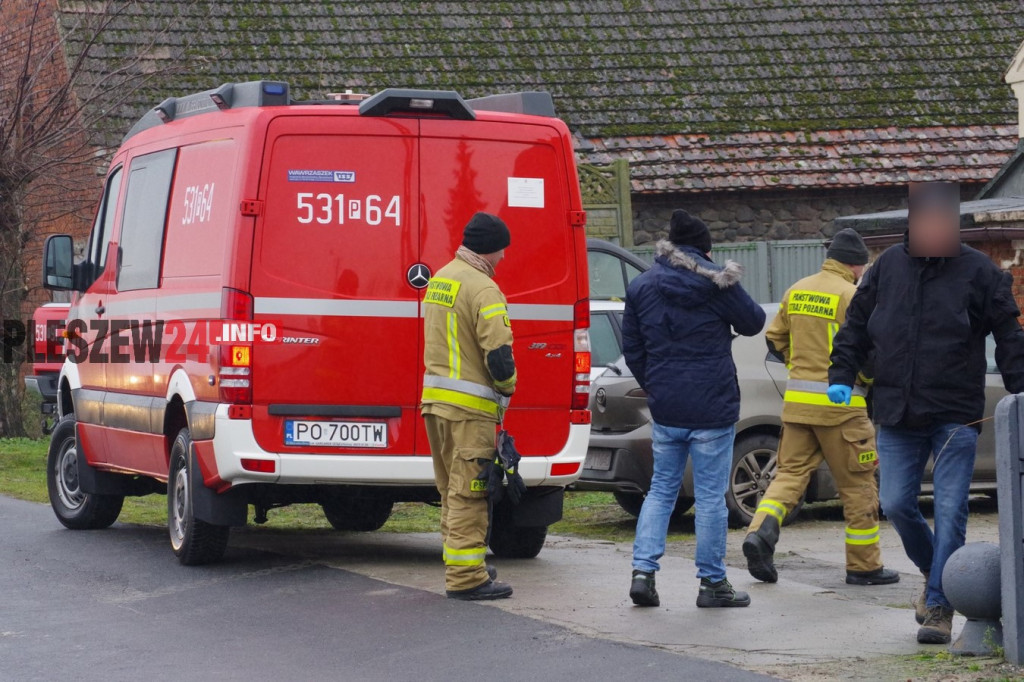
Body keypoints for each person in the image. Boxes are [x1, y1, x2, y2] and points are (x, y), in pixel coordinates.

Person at [828, 191, 1024, 643]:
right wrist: (841, 373)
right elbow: (856, 324)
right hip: (896, 410)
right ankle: (938, 572)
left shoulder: (980, 272)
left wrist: (1020, 387)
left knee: (952, 509)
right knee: (896, 503)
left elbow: (1009, 334)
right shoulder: (888, 267)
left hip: (955, 413)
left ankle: (939, 605)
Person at [622, 209, 766, 608]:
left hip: (667, 405)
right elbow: (753, 322)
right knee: (707, 498)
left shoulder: (641, 287)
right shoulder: (716, 283)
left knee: (661, 491)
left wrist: (656, 385)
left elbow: (632, 347)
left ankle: (643, 573)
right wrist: (723, 280)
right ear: (704, 249)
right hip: (712, 404)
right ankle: (712, 584)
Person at [742, 228, 899, 587]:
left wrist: (800, 365)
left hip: (797, 406)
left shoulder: (796, 289)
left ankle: (759, 533)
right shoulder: (852, 294)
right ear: (857, 264)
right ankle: (864, 566)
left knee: (788, 476)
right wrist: (865, 379)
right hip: (842, 409)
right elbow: (870, 348)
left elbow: (775, 337)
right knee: (858, 488)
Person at [421, 212, 517, 601]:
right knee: (470, 493)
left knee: (450, 490)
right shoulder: (483, 288)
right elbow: (498, 356)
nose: (504, 257)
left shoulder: (441, 278)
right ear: (492, 249)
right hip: (469, 411)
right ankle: (466, 580)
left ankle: (463, 563)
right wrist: (508, 389)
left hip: (436, 405)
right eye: (503, 250)